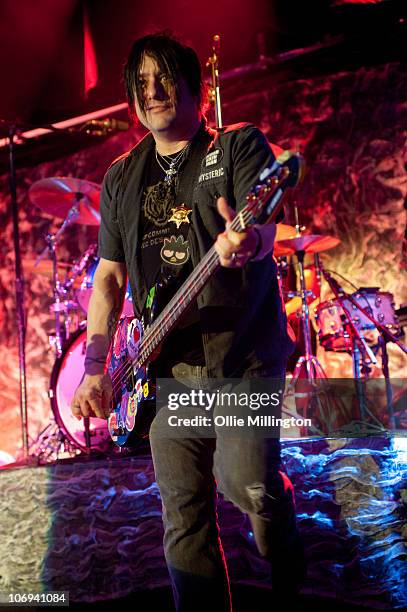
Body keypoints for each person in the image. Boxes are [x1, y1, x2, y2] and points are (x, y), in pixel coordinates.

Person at [71, 31, 305, 612]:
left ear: (193, 88)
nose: (154, 92)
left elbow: (262, 225)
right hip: (167, 370)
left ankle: (278, 525)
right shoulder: (122, 177)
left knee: (245, 485)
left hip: (242, 361)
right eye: (142, 83)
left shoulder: (238, 148)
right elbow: (108, 278)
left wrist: (246, 242)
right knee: (184, 516)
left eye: (166, 78)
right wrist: (96, 365)